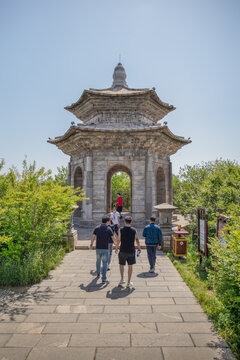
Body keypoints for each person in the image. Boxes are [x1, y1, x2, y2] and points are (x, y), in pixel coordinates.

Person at [115, 216, 141, 288]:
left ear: (124, 222)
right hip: (131, 250)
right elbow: (137, 240)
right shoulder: (134, 230)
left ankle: (122, 279)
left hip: (123, 249)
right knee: (130, 266)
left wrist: (116, 248)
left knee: (121, 264)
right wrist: (139, 248)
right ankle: (129, 282)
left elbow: (118, 240)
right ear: (131, 222)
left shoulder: (121, 230)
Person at [90, 215, 116, 283]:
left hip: (98, 248)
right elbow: (113, 237)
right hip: (105, 248)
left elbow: (93, 237)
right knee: (105, 263)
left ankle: (98, 273)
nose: (110, 222)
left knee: (98, 261)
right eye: (109, 221)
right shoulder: (108, 229)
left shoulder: (97, 228)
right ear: (107, 221)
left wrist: (91, 245)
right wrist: (116, 244)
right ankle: (104, 278)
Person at [108, 206, 120, 270]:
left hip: (116, 224)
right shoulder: (112, 214)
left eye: (114, 209)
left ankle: (118, 237)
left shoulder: (117, 213)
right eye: (113, 209)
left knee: (117, 232)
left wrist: (118, 223)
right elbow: (110, 219)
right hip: (113, 224)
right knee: (112, 232)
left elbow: (118, 218)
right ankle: (115, 238)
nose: (114, 209)